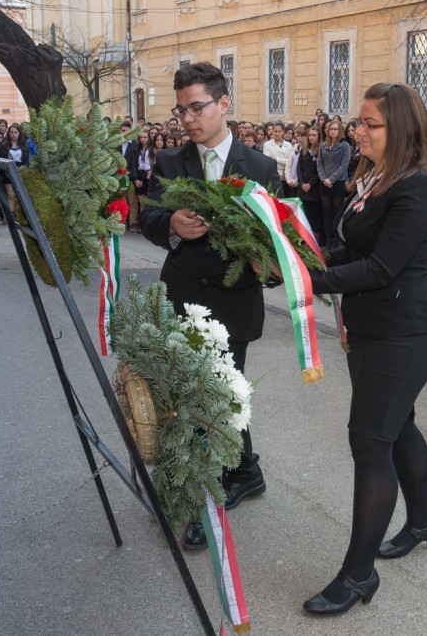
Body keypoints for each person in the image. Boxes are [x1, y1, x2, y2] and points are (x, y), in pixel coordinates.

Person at [302, 83, 427, 616]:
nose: (357, 131)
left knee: (370, 444)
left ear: (400, 129)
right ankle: (423, 521)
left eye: (370, 124)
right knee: (396, 427)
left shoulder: (415, 187)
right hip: (372, 328)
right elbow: (351, 247)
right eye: (358, 122)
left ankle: (358, 574)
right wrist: (304, 259)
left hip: (403, 333)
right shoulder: (377, 177)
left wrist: (308, 282)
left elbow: (382, 267)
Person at [138, 62, 279, 551]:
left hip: (233, 302)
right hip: (181, 296)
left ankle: (207, 500)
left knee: (214, 398)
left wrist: (267, 265)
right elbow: (149, 218)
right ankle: (245, 472)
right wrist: (172, 226)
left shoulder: (260, 168)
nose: (188, 119)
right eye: (181, 111)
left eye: (197, 108)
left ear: (223, 104)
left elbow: (276, 240)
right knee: (197, 395)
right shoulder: (169, 161)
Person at [317, 119, 352, 246]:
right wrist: (324, 179)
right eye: (331, 129)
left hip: (338, 183)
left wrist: (331, 179)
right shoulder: (323, 145)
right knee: (326, 213)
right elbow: (319, 164)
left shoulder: (345, 146)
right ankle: (328, 241)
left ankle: (336, 241)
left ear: (340, 131)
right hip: (324, 183)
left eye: (335, 129)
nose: (333, 131)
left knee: (337, 213)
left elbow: (344, 165)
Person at [262, 120, 296, 196]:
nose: (277, 133)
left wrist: (277, 159)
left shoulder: (289, 145)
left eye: (279, 131)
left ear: (283, 132)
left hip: (286, 177)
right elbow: (268, 160)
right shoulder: (267, 144)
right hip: (273, 176)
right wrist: (284, 161)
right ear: (272, 132)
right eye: (275, 131)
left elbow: (290, 162)